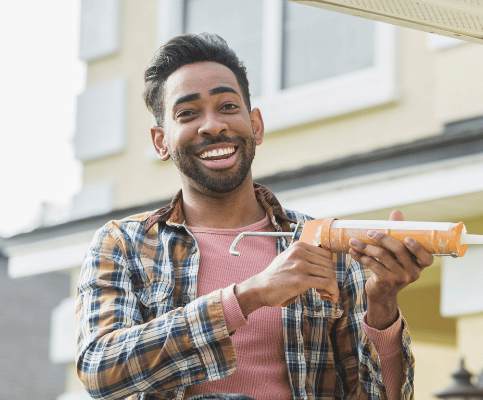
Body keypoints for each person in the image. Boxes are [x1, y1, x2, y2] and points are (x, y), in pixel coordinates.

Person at [74, 32, 433, 400]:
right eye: (187, 113)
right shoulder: (125, 244)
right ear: (161, 141)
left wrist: (383, 303)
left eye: (228, 106)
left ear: (256, 125)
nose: (212, 125)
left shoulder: (326, 246)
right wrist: (249, 295)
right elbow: (101, 369)